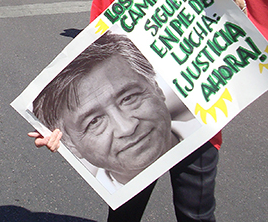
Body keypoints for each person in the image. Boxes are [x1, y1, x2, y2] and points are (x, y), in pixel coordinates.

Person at [31, 0, 247, 222]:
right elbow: (94, 48)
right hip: (130, 126)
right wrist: (59, 121)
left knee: (198, 215)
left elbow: (240, 43)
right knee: (126, 215)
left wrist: (237, 4)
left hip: (199, 118)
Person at [33, 33, 180, 190]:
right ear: (70, 143)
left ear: (156, 88)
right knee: (126, 213)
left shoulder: (207, 133)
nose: (126, 128)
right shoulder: (114, 188)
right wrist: (49, 133)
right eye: (94, 121)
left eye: (129, 98)